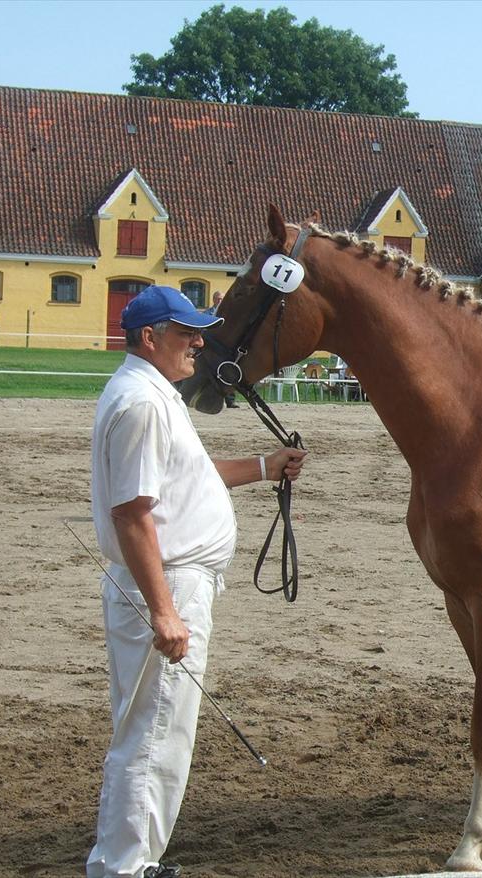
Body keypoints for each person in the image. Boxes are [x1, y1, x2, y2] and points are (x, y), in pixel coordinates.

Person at [87, 285, 307, 878]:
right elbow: (132, 514)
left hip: (171, 581)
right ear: (150, 338)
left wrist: (263, 467)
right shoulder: (143, 403)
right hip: (168, 583)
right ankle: (126, 866)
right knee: (156, 733)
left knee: (154, 730)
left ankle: (129, 861)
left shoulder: (153, 393)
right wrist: (164, 611)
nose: (199, 344)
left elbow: (187, 477)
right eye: (187, 334)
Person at [202, 291, 237, 407]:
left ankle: (230, 400)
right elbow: (203, 331)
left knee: (228, 372)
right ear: (213, 300)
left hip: (224, 349)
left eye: (222, 299)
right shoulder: (207, 314)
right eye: (218, 299)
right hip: (210, 349)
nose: (220, 301)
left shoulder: (229, 314)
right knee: (210, 374)